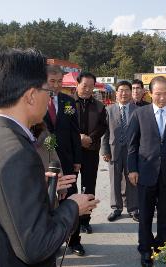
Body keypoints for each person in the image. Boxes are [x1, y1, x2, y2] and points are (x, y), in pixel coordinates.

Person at [0, 49, 99, 267]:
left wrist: (39, 186)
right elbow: (36, 245)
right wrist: (73, 207)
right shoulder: (18, 154)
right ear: (31, 95)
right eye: (47, 90)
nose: (50, 96)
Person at [127, 76, 166, 267]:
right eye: (158, 94)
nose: (162, 98)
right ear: (150, 93)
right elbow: (132, 145)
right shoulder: (139, 114)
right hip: (145, 172)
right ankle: (145, 249)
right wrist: (132, 169)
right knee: (145, 214)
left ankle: (163, 246)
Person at [42, 65, 84, 255]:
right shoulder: (36, 101)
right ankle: (50, 243)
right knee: (47, 202)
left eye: (59, 81)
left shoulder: (68, 102)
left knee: (70, 199)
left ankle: (74, 240)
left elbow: (75, 131)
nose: (56, 85)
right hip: (44, 160)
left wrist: (77, 158)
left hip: (66, 159)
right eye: (52, 81)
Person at [74, 71, 107, 234]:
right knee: (70, 186)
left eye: (91, 86)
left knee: (89, 186)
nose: (87, 89)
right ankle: (71, 221)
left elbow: (103, 126)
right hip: (71, 152)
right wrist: (77, 137)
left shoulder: (100, 106)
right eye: (84, 85)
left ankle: (85, 220)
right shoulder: (68, 103)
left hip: (91, 151)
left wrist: (90, 139)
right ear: (77, 84)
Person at [101, 81, 139, 222]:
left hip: (132, 152)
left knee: (132, 180)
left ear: (131, 92)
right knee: (114, 180)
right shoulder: (109, 110)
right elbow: (105, 132)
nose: (124, 93)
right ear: (116, 93)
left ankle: (133, 208)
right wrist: (105, 150)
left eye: (127, 90)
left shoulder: (138, 110)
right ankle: (116, 208)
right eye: (121, 90)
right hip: (114, 150)